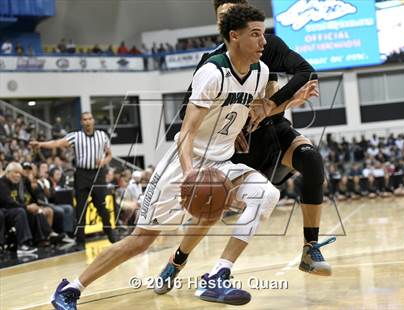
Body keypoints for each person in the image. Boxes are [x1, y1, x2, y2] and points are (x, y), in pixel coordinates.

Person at [49, 5, 279, 309]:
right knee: (141, 240)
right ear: (234, 37)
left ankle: (218, 275)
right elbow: (187, 133)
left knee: (267, 195)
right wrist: (190, 175)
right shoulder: (212, 73)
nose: (264, 42)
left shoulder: (261, 72)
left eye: (264, 34)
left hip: (222, 160)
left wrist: (263, 112)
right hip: (185, 162)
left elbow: (256, 107)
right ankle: (70, 288)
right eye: (256, 34)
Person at [164, 2, 333, 292]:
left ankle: (310, 247)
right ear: (225, 28)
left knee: (312, 161)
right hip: (238, 140)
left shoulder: (266, 45)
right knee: (211, 207)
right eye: (222, 17)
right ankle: (178, 260)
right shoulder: (212, 62)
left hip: (273, 127)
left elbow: (306, 71)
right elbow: (187, 115)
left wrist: (275, 104)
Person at [30, 112, 117, 247]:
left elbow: (110, 154)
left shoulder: (102, 136)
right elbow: (57, 143)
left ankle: (110, 231)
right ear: (81, 122)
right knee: (80, 208)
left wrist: (104, 161)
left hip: (98, 174)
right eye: (84, 120)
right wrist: (41, 145)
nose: (87, 122)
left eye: (89, 119)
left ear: (93, 121)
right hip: (82, 174)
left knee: (102, 206)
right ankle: (80, 240)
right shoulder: (76, 136)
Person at [0, 162, 38, 255]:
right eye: (15, 172)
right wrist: (26, 207)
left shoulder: (16, 183)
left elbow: (21, 200)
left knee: (32, 212)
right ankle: (22, 245)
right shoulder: (2, 183)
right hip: (4, 209)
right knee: (21, 211)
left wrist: (29, 206)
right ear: (7, 172)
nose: (18, 175)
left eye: (19, 173)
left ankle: (37, 240)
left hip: (10, 209)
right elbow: (8, 202)